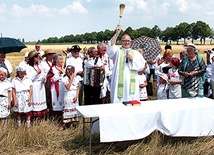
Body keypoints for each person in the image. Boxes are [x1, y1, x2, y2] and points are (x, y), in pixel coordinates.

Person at [107, 24, 145, 103]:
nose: (126, 42)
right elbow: (111, 45)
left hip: (131, 82)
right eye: (124, 41)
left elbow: (142, 66)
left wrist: (132, 60)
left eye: (128, 41)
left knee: (131, 100)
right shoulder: (117, 52)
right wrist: (117, 33)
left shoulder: (136, 53)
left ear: (131, 42)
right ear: (121, 42)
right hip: (119, 81)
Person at [27, 50, 47, 121]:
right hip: (34, 85)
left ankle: (40, 117)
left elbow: (44, 74)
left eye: (37, 56)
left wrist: (44, 78)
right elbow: (29, 78)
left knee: (41, 99)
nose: (37, 58)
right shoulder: (28, 67)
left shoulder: (39, 65)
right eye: (35, 56)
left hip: (40, 85)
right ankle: (34, 118)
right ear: (32, 58)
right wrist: (36, 73)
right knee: (35, 100)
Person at [61, 65, 79, 130]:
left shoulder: (76, 79)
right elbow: (68, 87)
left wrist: (76, 96)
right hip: (68, 95)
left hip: (74, 95)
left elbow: (77, 88)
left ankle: (72, 124)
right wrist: (71, 80)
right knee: (67, 110)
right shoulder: (64, 79)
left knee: (74, 110)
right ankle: (64, 124)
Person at [48, 54, 64, 119]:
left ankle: (63, 117)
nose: (62, 61)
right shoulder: (52, 69)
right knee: (56, 102)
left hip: (63, 88)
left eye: (62, 59)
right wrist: (58, 74)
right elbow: (51, 80)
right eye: (60, 59)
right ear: (56, 60)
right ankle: (55, 118)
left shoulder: (64, 68)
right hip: (55, 88)